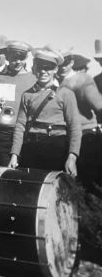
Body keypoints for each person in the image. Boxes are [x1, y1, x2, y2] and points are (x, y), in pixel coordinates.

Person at [8, 49, 81, 174]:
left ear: (55, 70)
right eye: (40, 67)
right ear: (34, 69)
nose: (43, 71)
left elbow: (75, 127)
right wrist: (14, 154)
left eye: (48, 68)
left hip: (56, 149)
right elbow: (20, 127)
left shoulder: (66, 94)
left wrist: (72, 157)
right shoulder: (27, 95)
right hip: (31, 147)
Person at [0, 40, 36, 176]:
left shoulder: (33, 80)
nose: (18, 62)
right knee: (4, 174)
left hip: (25, 134)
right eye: (14, 58)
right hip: (3, 135)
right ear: (7, 57)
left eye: (21, 58)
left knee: (25, 175)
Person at [54, 49, 102, 191]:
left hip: (86, 137)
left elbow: (99, 105)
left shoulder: (82, 80)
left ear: (72, 62)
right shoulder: (56, 81)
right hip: (67, 137)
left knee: (89, 185)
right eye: (59, 64)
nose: (63, 67)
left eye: (66, 63)